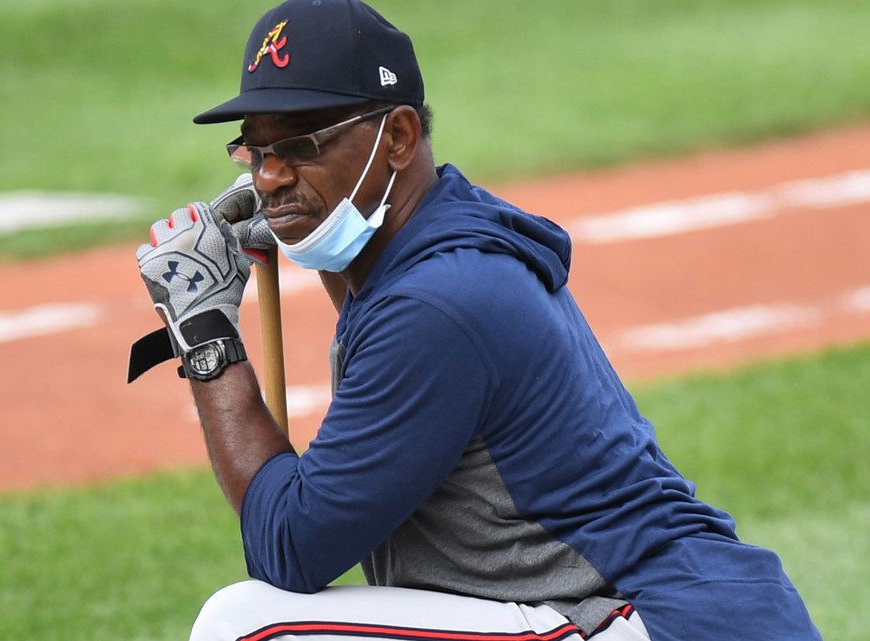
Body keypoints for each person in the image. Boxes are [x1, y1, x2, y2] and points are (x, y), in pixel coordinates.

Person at [129, 1, 823, 640]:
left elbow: (290, 545)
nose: (271, 176)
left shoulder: (438, 305)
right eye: (256, 151)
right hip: (648, 610)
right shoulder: (433, 246)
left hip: (659, 617)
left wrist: (204, 332)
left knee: (248, 624)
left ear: (398, 136)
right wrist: (303, 210)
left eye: (302, 145)